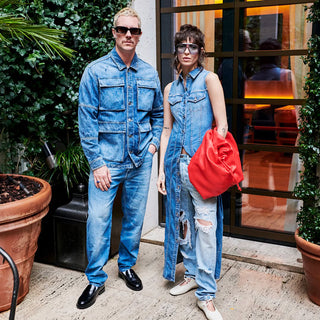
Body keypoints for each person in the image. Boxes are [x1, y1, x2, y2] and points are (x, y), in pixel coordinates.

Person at [77, 7, 163, 309]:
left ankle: (126, 266)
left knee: (134, 219)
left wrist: (152, 146)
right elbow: (86, 121)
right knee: (98, 220)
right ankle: (95, 280)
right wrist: (97, 164)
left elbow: (158, 114)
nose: (129, 35)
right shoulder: (95, 71)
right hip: (107, 164)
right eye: (123, 29)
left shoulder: (149, 73)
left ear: (139, 35)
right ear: (114, 32)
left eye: (134, 31)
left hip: (140, 162)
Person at [157, 24, 228, 320]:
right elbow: (166, 130)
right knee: (183, 225)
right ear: (176, 51)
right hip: (175, 167)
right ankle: (192, 274)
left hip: (202, 170)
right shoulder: (170, 89)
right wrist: (161, 171)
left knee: (207, 230)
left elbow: (222, 127)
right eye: (182, 46)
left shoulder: (210, 80)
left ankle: (207, 295)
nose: (187, 51)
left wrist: (211, 163)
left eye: (193, 46)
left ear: (200, 52)